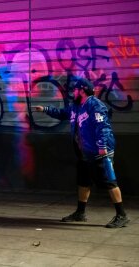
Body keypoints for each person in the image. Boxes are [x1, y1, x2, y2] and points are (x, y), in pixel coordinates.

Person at [34, 78, 129, 228]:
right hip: (85, 152)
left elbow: (103, 127)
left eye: (76, 90)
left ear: (82, 90)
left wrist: (102, 145)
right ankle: (80, 213)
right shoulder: (77, 106)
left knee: (109, 181)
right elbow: (62, 113)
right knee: (83, 181)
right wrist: (45, 109)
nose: (73, 92)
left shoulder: (96, 106)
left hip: (100, 151)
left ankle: (122, 215)